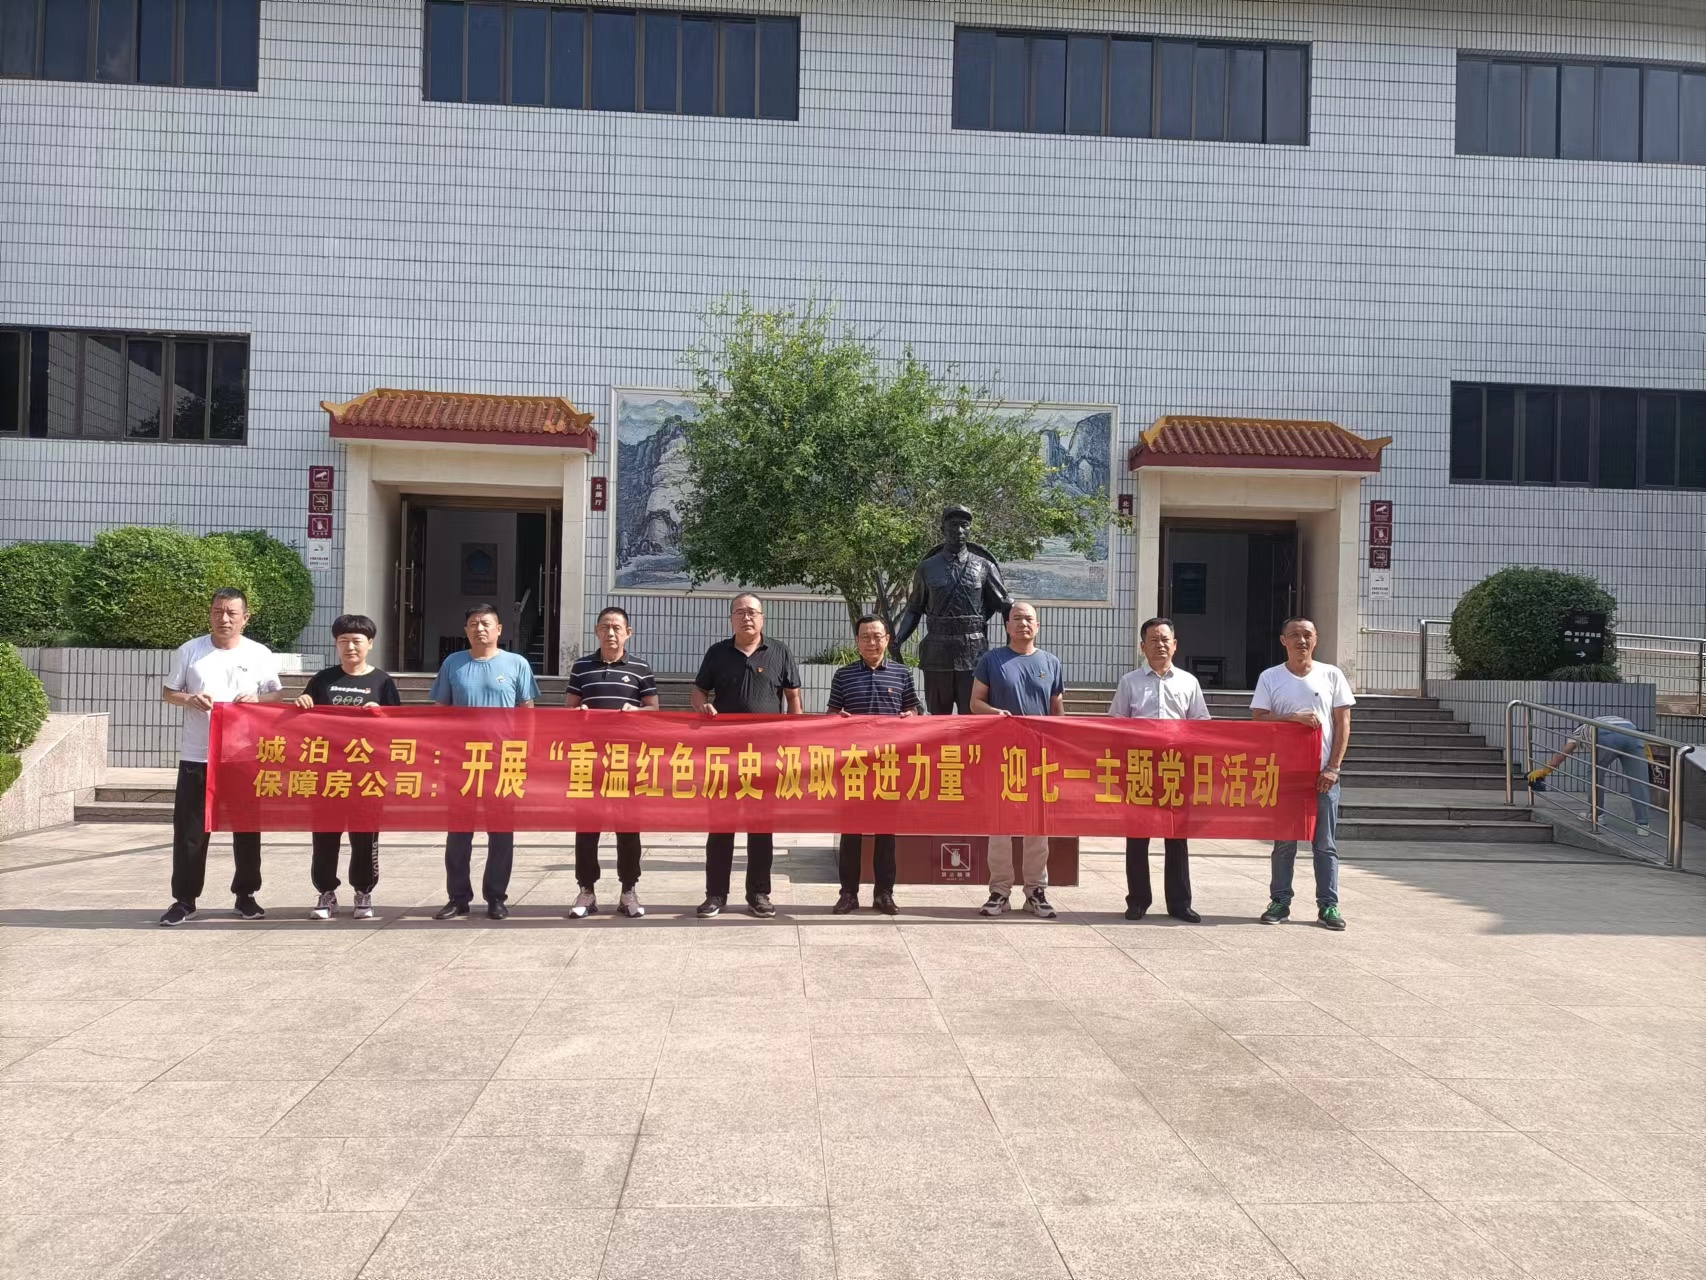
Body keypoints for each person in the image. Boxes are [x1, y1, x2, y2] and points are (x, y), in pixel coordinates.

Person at [157, 588, 283, 926]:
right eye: (217, 611)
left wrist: (256, 701)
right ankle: (184, 900)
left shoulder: (258, 653)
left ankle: (246, 895)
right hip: (198, 755)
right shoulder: (190, 651)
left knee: (246, 828)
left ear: (245, 618)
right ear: (210, 614)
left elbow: (276, 696)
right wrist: (190, 699)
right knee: (190, 830)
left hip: (244, 756)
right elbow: (169, 693)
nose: (224, 618)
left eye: (231, 613)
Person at [692, 592, 802, 918]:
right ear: (731, 619)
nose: (747, 617)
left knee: (761, 829)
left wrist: (794, 742)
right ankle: (715, 895)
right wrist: (702, 706)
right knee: (720, 827)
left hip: (766, 757)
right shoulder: (717, 653)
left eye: (752, 612)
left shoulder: (780, 652)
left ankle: (759, 894)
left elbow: (793, 699)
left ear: (762, 617)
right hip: (724, 756)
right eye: (739, 612)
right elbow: (698, 691)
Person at [430, 604, 538, 921]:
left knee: (501, 833)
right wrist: (438, 752)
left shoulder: (516, 664)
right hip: (461, 762)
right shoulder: (453, 663)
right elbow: (440, 712)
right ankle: (458, 897)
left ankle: (496, 897)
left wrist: (527, 753)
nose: (480, 628)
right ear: (466, 630)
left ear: (499, 629)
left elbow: (527, 713)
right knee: (458, 833)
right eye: (474, 623)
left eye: (486, 623)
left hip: (503, 761)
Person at [295, 614, 401, 921]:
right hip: (327, 773)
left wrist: (382, 713)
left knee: (364, 836)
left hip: (367, 775)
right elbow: (304, 719)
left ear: (370, 644)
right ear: (335, 644)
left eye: (356, 641)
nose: (350, 647)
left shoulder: (382, 682)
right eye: (343, 641)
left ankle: (363, 891)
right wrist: (302, 702)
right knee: (325, 836)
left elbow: (400, 726)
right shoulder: (323, 680)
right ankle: (326, 893)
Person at [1251, 617, 1354, 931]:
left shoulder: (1331, 675)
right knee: (1284, 843)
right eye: (1294, 635)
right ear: (1283, 640)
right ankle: (1280, 900)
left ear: (1316, 639)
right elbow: (1258, 719)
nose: (1301, 640)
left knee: (1325, 844)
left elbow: (1343, 724)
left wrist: (1333, 767)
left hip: (1323, 775)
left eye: (1307, 634)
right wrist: (1292, 718)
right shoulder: (1270, 677)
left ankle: (1328, 905)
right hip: (1284, 775)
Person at [1110, 617, 1210, 923]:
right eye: (1153, 640)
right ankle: (1138, 900)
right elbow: (1115, 723)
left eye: (1165, 639)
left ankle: (1180, 904)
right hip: (1139, 768)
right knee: (1137, 837)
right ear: (1142, 647)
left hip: (1176, 769)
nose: (1160, 645)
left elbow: (1201, 724)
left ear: (1175, 645)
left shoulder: (1188, 682)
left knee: (1177, 837)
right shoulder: (1130, 682)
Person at [970, 601, 1064, 919]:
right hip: (1002, 756)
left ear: (1037, 626)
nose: (1023, 623)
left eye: (1029, 619)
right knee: (1000, 826)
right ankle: (1000, 891)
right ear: (1007, 626)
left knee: (1037, 827)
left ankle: (1035, 891)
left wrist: (1060, 745)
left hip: (1039, 758)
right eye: (1017, 619)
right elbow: (975, 702)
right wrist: (995, 713)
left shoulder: (1050, 662)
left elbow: (1057, 709)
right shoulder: (992, 660)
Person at [566, 606, 659, 919]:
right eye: (605, 627)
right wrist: (579, 714)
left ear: (628, 633)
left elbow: (654, 710)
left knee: (628, 828)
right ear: (596, 631)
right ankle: (586, 890)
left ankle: (628, 890)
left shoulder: (640, 668)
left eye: (617, 627)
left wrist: (636, 713)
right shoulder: (581, 667)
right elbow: (569, 708)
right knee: (586, 828)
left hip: (626, 760)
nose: (611, 633)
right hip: (589, 759)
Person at [828, 614, 920, 915]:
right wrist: (837, 720)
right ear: (857, 642)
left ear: (887, 639)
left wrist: (911, 718)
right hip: (853, 766)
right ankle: (848, 894)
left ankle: (884, 894)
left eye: (877, 636)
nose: (871, 642)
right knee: (850, 833)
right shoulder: (843, 675)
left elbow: (914, 712)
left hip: (888, 766)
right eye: (865, 637)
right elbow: (831, 715)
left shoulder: (902, 674)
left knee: (886, 834)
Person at [890, 505, 1013, 715]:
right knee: (937, 717)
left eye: (964, 525)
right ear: (943, 529)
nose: (959, 530)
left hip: (973, 652)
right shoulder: (927, 567)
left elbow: (1006, 606)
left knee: (972, 717)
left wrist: (1010, 647)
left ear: (970, 529)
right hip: (937, 651)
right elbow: (914, 608)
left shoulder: (984, 567)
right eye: (953, 525)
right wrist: (899, 639)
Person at [1527, 715, 1657, 838]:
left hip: (1606, 734)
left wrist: (1544, 771)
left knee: (1595, 774)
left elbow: (1562, 755)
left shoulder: (1579, 731)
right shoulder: (1605, 721)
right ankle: (1643, 824)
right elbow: (1642, 743)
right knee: (1638, 780)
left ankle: (1597, 815)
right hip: (1633, 733)